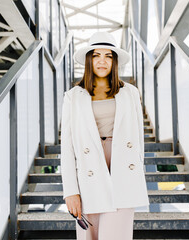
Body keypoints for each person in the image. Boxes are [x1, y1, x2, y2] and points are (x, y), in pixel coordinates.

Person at [60, 31, 149, 240]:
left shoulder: (130, 92)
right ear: (89, 60)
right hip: (89, 169)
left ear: (115, 61)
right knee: (90, 236)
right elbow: (67, 147)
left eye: (108, 56)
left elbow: (138, 140)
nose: (102, 61)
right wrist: (70, 191)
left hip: (123, 169)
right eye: (97, 55)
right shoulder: (73, 97)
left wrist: (137, 173)